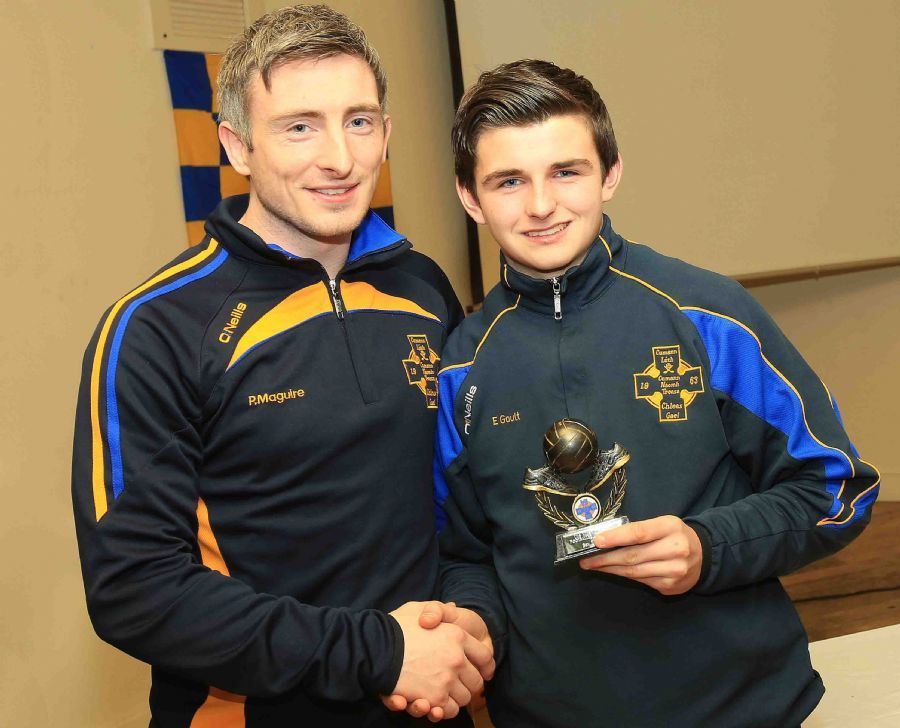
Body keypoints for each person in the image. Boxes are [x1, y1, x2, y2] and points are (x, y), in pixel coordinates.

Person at [71, 6, 493, 726]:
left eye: (359, 121)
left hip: (429, 703)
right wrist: (378, 653)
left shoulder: (423, 287)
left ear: (386, 131)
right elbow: (134, 589)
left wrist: (474, 616)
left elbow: (465, 498)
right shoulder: (155, 328)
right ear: (236, 147)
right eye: (300, 127)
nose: (340, 158)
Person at [431, 59, 880, 727]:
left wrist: (707, 547)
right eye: (509, 181)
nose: (541, 205)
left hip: (740, 710)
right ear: (470, 198)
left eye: (566, 171)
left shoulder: (708, 316)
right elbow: (464, 552)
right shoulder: (462, 365)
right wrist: (474, 623)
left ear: (610, 173)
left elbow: (837, 489)